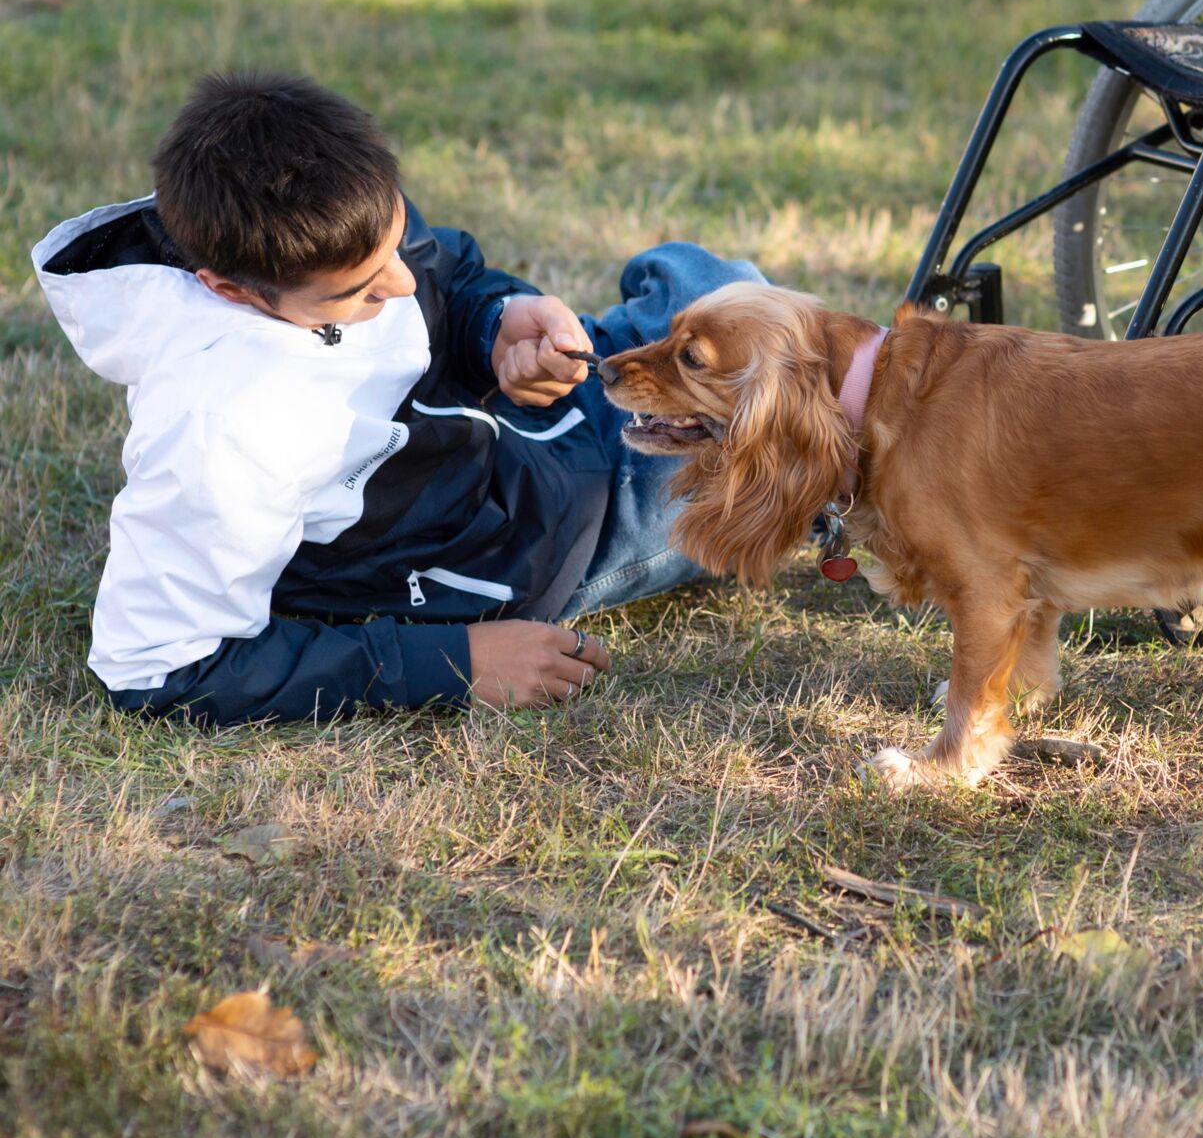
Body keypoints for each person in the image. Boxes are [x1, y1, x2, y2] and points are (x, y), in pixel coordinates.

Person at [32, 71, 763, 724]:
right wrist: (457, 662)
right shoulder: (220, 427)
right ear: (228, 290)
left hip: (527, 429)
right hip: (532, 547)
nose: (400, 285)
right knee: (770, 429)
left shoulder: (328, 206)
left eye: (393, 242)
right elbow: (155, 669)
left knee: (711, 283)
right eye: (357, 291)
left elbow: (443, 275)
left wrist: (497, 324)